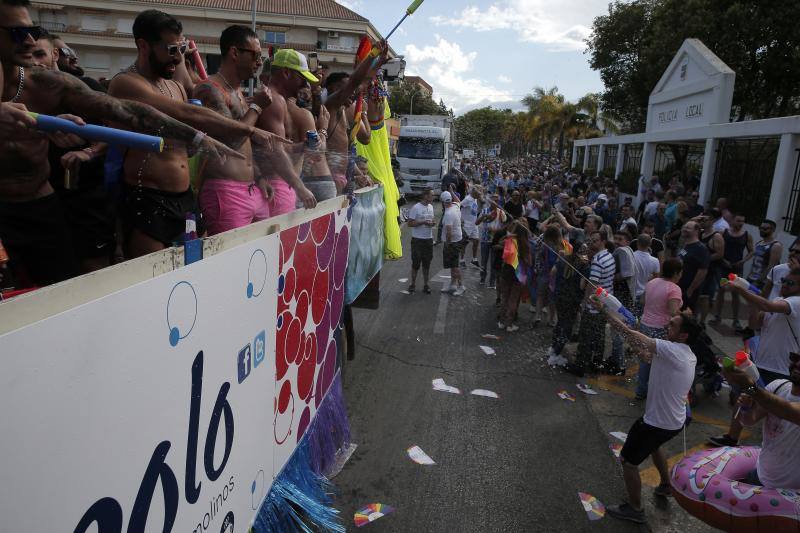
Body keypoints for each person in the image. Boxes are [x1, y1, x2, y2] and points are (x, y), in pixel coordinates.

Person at [0, 2, 238, 285]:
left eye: (33, 31)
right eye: (17, 33)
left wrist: (198, 136)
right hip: (138, 202)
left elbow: (125, 111)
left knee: (62, 295)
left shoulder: (47, 84)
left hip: (40, 206)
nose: (28, 40)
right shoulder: (128, 79)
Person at [107, 9, 279, 257]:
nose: (177, 58)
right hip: (148, 198)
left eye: (181, 49)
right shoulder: (126, 83)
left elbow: (190, 131)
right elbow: (189, 115)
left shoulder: (175, 85)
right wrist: (250, 125)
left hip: (185, 198)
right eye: (171, 50)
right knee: (154, 280)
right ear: (143, 45)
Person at [592, 301, 700, 524]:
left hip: (657, 423)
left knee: (629, 462)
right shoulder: (684, 353)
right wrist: (634, 342)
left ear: (683, 336)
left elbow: (631, 332)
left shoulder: (672, 350)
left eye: (673, 325)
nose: (667, 326)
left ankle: (635, 509)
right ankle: (666, 485)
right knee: (655, 446)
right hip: (673, 422)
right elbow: (645, 354)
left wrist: (605, 311)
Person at [192, 25, 276, 235]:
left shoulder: (238, 92)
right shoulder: (209, 88)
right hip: (226, 191)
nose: (259, 62)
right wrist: (257, 106)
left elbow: (245, 146)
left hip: (252, 190)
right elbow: (231, 139)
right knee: (231, 264)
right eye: (256, 55)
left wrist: (259, 177)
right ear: (234, 53)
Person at [709, 267, 800, 447]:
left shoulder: (796, 302)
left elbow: (767, 306)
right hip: (762, 363)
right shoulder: (778, 300)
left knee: (775, 408)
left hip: (782, 369)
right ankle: (732, 437)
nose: (784, 285)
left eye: (790, 283)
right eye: (783, 281)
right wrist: (752, 303)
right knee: (745, 396)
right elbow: (754, 323)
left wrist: (742, 290)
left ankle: (777, 444)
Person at [253, 48, 327, 216]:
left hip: (278, 184)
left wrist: (302, 146)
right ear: (286, 73)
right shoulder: (275, 100)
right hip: (276, 186)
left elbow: (278, 146)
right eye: (302, 79)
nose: (306, 85)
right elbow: (275, 151)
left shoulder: (278, 100)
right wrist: (300, 188)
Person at [721, 352, 800, 490]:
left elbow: (786, 410)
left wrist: (751, 388)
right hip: (760, 475)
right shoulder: (778, 386)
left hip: (790, 492)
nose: (798, 364)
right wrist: (745, 406)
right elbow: (749, 421)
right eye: (796, 358)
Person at [635, 258, 683, 400]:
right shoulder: (674, 288)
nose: (681, 275)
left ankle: (640, 391)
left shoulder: (652, 282)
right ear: (675, 273)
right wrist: (685, 314)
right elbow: (673, 311)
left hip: (645, 325)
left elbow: (643, 301)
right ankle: (656, 393)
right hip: (661, 329)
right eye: (680, 272)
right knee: (660, 362)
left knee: (645, 359)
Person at [569, 231, 615, 376]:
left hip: (594, 305)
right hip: (604, 303)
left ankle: (580, 366)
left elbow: (592, 284)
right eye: (591, 241)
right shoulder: (609, 256)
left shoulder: (598, 260)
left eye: (595, 241)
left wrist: (585, 302)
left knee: (586, 336)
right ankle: (596, 363)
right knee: (599, 335)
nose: (591, 244)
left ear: (603, 241)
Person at [547, 242, 587, 367]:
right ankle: (556, 355)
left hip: (560, 296)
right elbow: (582, 285)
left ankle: (553, 349)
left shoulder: (564, 260)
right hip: (572, 300)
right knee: (567, 328)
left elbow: (552, 272)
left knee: (560, 323)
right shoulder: (584, 265)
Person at [712, 212, 754, 331]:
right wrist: (723, 260)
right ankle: (717, 316)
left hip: (736, 268)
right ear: (732, 221)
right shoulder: (724, 233)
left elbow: (751, 251)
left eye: (742, 221)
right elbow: (718, 248)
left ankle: (735, 320)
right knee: (721, 290)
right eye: (738, 221)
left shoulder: (746, 235)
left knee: (736, 292)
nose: (740, 223)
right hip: (723, 266)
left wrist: (743, 261)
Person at [607, 230, 638, 375]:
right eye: (616, 238)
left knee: (617, 331)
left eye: (621, 239)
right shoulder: (629, 250)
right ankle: (614, 359)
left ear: (627, 241)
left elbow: (627, 274)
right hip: (627, 299)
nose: (617, 241)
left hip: (621, 299)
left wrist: (609, 278)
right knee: (619, 330)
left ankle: (618, 365)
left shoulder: (622, 251)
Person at [497, 220, 530, 332]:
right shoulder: (525, 244)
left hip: (506, 271)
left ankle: (501, 321)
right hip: (518, 273)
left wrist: (510, 235)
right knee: (514, 299)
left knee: (505, 297)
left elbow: (500, 242)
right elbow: (529, 261)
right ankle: (509, 324)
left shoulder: (510, 240)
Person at [406, 188, 435, 294]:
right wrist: (423, 222)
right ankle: (412, 284)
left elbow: (432, 220)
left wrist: (432, 223)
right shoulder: (416, 208)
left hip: (428, 239)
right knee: (416, 263)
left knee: (427, 263)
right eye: (431, 195)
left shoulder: (431, 207)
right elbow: (410, 223)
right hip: (417, 240)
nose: (433, 197)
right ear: (425, 196)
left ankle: (426, 285)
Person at [698, 213, 725, 325]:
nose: (703, 221)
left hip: (709, 271)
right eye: (702, 219)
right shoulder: (700, 233)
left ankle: (702, 322)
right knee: (697, 295)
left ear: (712, 220)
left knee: (705, 297)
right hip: (699, 270)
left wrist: (705, 260)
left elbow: (720, 254)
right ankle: (694, 318)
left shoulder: (716, 236)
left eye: (706, 219)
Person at [677, 220, 709, 312]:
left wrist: (690, 290)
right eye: (684, 227)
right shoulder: (686, 244)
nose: (684, 229)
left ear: (696, 231)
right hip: (680, 287)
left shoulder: (701, 249)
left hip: (688, 291)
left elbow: (702, 272)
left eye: (688, 228)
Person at [477, 193, 504, 288]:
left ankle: (492, 282)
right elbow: (476, 222)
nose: (495, 202)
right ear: (490, 201)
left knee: (494, 262)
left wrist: (496, 230)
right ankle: (482, 279)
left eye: (497, 201)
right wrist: (483, 216)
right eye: (493, 200)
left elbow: (505, 227)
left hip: (496, 241)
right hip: (485, 240)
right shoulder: (484, 210)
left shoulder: (501, 212)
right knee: (483, 261)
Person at [747, 219, 783, 292]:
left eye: (765, 229)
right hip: (751, 277)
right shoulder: (759, 243)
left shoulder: (776, 246)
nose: (761, 230)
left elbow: (771, 266)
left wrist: (759, 281)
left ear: (773, 230)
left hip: (762, 282)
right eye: (760, 228)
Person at [440, 191, 464, 296]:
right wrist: (452, 191)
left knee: (454, 266)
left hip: (452, 242)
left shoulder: (448, 213)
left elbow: (449, 232)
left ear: (442, 202)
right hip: (458, 239)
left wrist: (447, 244)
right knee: (452, 264)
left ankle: (461, 286)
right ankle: (453, 285)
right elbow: (458, 200)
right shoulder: (455, 206)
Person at [632, 233, 660, 312]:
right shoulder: (655, 261)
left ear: (637, 242)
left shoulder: (631, 257)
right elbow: (656, 279)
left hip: (631, 293)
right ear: (650, 244)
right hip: (645, 294)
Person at [459, 186, 481, 267]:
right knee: (464, 242)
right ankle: (462, 260)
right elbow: (459, 206)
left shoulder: (475, 198)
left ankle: (474, 259)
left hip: (474, 223)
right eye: (479, 193)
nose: (480, 195)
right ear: (474, 192)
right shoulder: (467, 199)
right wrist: (460, 219)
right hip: (467, 224)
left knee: (476, 240)